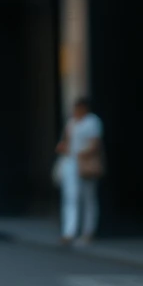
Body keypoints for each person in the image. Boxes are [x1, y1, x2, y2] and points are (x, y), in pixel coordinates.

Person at [56, 96, 104, 246]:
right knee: (71, 197)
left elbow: (95, 144)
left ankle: (88, 232)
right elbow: (66, 141)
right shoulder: (72, 122)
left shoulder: (92, 122)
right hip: (71, 163)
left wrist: (80, 153)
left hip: (85, 164)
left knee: (88, 198)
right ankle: (69, 232)